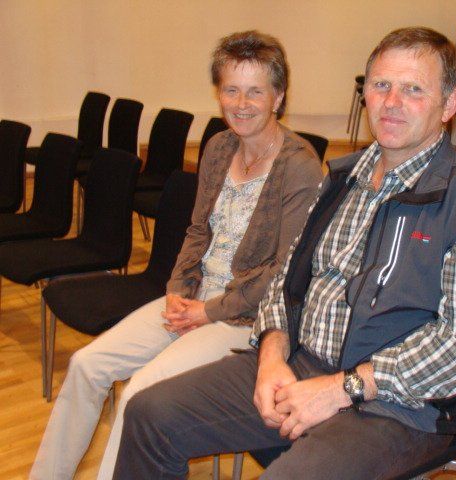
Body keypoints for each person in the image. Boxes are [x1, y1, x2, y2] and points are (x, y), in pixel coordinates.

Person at [113, 27, 456, 480]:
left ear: (448, 105)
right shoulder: (340, 180)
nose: (391, 102)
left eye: (413, 90)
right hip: (301, 362)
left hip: (398, 407)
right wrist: (272, 352)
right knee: (150, 415)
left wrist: (341, 388)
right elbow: (287, 278)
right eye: (381, 85)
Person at [30, 30, 322, 480]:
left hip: (244, 319)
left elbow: (282, 274)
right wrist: (177, 289)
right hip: (192, 299)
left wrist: (208, 311)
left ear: (278, 96)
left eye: (255, 91)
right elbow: (197, 230)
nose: (241, 103)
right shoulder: (219, 147)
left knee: (138, 395)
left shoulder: (299, 165)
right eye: (231, 90)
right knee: (87, 365)